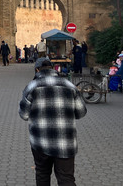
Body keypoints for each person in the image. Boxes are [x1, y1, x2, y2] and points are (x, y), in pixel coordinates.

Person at [19, 58, 87, 186]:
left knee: (42, 174)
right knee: (66, 178)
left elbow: (24, 115)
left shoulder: (31, 87)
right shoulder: (69, 85)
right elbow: (81, 112)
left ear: (37, 70)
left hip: (41, 142)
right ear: (52, 68)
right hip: (65, 143)